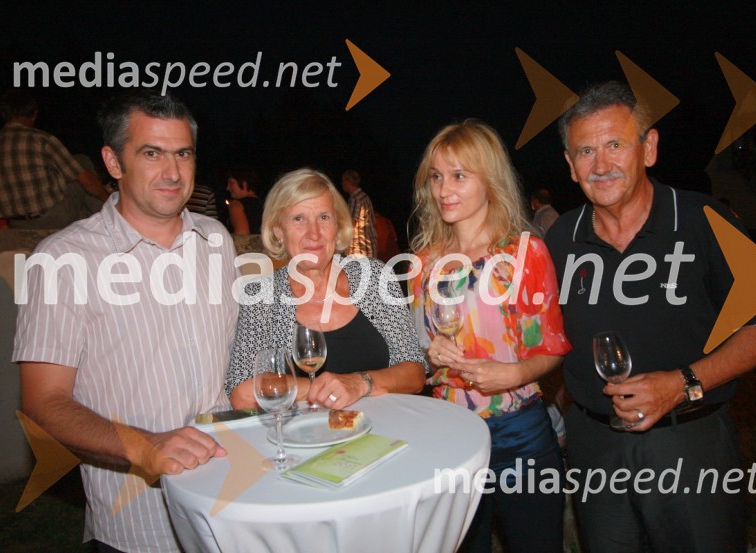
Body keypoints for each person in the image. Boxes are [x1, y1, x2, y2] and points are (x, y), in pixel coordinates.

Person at [544, 81, 756, 553]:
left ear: (649, 147)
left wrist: (682, 383)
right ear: (570, 165)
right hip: (594, 446)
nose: (601, 165)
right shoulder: (560, 239)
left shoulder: (706, 219)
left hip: (691, 440)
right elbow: (557, 343)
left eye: (615, 144)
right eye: (585, 151)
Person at [14, 89, 239, 553]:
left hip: (231, 504)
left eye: (183, 153)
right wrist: (144, 446)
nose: (172, 172)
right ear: (113, 163)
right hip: (138, 526)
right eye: (151, 153)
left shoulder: (216, 240)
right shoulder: (62, 258)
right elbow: (43, 402)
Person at [409, 120, 570, 553]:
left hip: (520, 431)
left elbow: (552, 347)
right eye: (437, 177)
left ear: (490, 180)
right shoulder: (422, 264)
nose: (444, 189)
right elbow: (414, 356)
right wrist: (431, 357)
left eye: (460, 175)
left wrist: (513, 372)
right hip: (448, 435)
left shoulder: (524, 253)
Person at [226, 168, 425, 410]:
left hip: (385, 435)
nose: (314, 233)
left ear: (338, 225)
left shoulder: (373, 278)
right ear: (278, 230)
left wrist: (359, 383)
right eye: (298, 219)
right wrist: (324, 388)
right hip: (304, 442)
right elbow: (242, 392)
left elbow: (415, 372)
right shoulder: (261, 297)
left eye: (324, 217)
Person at [0, 89, 109, 228]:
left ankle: (97, 219)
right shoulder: (42, 139)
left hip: (16, 222)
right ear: (34, 114)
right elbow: (86, 180)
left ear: (3, 114)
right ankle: (109, 216)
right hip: (52, 218)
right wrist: (107, 198)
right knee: (81, 162)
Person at [341, 169, 378, 258]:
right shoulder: (364, 197)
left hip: (359, 250)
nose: (342, 184)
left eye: (342, 181)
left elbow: (351, 224)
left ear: (347, 181)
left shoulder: (355, 199)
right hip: (369, 247)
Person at [225, 167, 263, 234]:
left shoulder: (236, 205)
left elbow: (242, 236)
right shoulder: (265, 203)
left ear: (244, 183)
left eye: (231, 183)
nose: (227, 188)